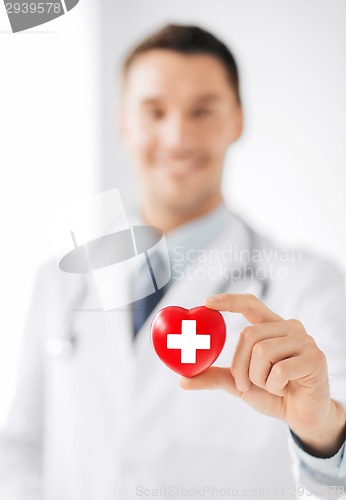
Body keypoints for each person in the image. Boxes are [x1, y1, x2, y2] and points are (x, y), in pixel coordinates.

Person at [0, 24, 345, 500]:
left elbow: (337, 457)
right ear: (122, 120)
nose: (178, 136)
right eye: (154, 111)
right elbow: (21, 448)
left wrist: (322, 433)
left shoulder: (307, 284)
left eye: (203, 111)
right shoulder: (60, 280)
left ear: (237, 121)